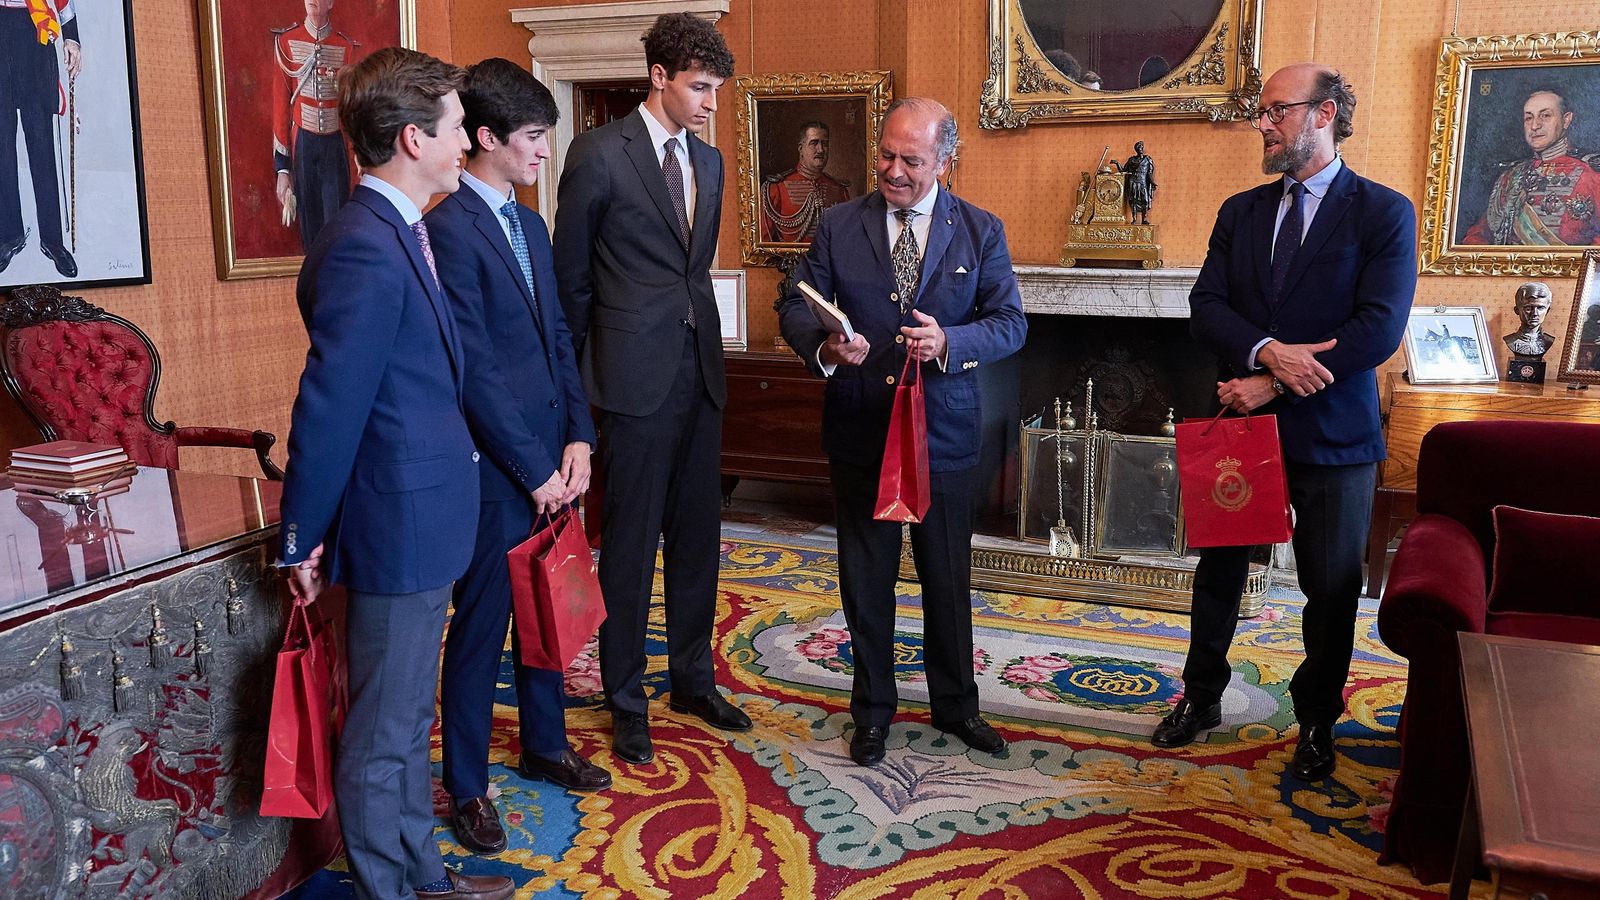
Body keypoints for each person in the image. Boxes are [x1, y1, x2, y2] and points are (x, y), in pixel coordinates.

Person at [277, 46, 513, 900]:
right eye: (457, 129)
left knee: (409, 719)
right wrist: (301, 537)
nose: (468, 143)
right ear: (414, 138)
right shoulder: (365, 247)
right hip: (397, 526)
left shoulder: (398, 231)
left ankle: (423, 875)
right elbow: (330, 407)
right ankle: (388, 888)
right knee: (383, 733)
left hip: (425, 518)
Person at [1152, 64, 1417, 785]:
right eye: (1261, 112)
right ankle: (1200, 697)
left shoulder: (1383, 212)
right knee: (1219, 574)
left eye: (1276, 111)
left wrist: (1272, 383)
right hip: (1240, 426)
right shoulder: (1240, 212)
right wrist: (1267, 353)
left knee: (1330, 588)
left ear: (1324, 114)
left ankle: (1317, 722)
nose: (1262, 124)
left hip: (1334, 435)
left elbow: (1378, 329)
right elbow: (1206, 308)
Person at [777, 97, 1028, 767]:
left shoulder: (980, 230)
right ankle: (871, 712)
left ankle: (957, 706)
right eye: (886, 156)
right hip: (861, 430)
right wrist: (827, 348)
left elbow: (1010, 323)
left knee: (946, 578)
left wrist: (950, 342)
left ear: (945, 161)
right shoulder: (838, 224)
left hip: (943, 436)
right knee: (866, 581)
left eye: (911, 160)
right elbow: (795, 306)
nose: (893, 170)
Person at [426, 57, 610, 857]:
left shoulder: (531, 224)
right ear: (486, 137)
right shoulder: (446, 229)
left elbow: (558, 339)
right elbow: (475, 370)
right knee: (482, 628)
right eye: (534, 136)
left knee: (549, 609)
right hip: (498, 473)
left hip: (553, 459)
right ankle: (467, 785)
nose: (543, 151)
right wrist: (533, 470)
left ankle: (545, 743)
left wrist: (579, 438)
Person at [553, 12, 748, 766]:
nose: (710, 103)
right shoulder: (598, 154)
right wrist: (570, 398)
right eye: (699, 87)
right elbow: (571, 284)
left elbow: (690, 272)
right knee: (630, 548)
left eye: (716, 89)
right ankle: (626, 699)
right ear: (659, 77)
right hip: (629, 383)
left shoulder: (712, 162)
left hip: (701, 374)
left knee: (698, 541)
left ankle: (693, 681)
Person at [0, 0, 81, 277]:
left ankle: (52, 240)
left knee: (41, 142)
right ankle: (9, 235)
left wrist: (72, 38)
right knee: (1, 145)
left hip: (33, 30)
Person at [273, 0, 359, 252]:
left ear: (330, 3)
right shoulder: (287, 42)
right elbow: (280, 106)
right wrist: (282, 169)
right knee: (310, 229)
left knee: (337, 224)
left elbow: (352, 108)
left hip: (335, 145)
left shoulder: (345, 46)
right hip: (304, 143)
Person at [1463, 88, 1600, 246]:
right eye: (1528, 118)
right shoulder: (1510, 177)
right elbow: (1477, 238)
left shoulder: (1592, 175)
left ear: (1566, 120)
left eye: (1545, 116)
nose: (1534, 126)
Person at [760, 121, 851, 243]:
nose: (820, 150)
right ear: (801, 149)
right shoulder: (777, 188)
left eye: (824, 144)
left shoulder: (839, 190)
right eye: (814, 143)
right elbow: (763, 243)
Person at [1502, 280, 1556, 358]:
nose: (1535, 313)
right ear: (1517, 310)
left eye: (1540, 308)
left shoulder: (1548, 341)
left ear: (1547, 311)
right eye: (1528, 308)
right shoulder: (1510, 340)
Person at [1123, 141, 1156, 225]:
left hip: (1142, 182)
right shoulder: (1131, 160)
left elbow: (1150, 173)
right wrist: (1116, 163)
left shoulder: (1148, 159)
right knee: (1134, 201)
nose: (1140, 149)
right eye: (1138, 148)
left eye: (1141, 147)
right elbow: (1123, 170)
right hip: (1133, 182)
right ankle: (1134, 219)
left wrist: (1152, 182)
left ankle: (1144, 219)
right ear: (1136, 149)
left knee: (1145, 200)